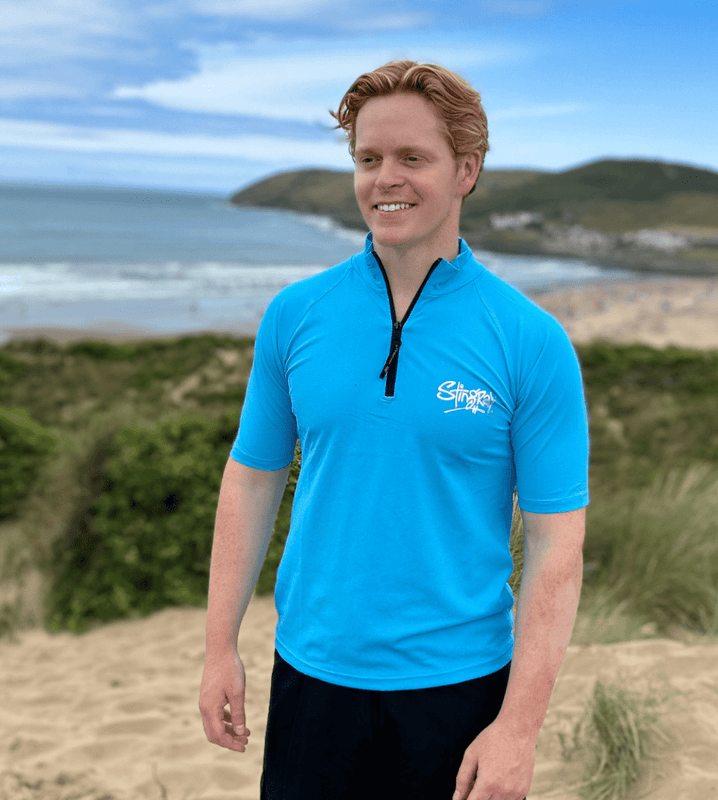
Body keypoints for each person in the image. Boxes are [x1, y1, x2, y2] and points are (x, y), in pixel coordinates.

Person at [199, 60, 589, 800]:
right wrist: (220, 648)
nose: (386, 180)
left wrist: (519, 728)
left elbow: (555, 544)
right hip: (311, 677)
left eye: (413, 158)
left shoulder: (530, 342)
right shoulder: (295, 314)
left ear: (466, 170)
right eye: (369, 159)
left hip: (461, 689)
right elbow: (252, 480)